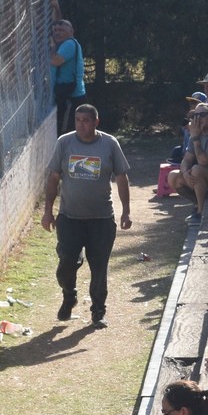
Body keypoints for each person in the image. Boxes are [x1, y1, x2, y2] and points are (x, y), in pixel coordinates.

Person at [42, 104, 132, 327]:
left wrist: (126, 211)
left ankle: (98, 311)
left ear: (96, 122)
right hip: (70, 218)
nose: (81, 125)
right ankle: (69, 295)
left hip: (101, 219)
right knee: (66, 264)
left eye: (86, 120)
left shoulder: (109, 144)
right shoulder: (65, 142)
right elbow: (53, 178)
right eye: (78, 120)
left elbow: (122, 177)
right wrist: (47, 211)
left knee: (99, 267)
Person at [168, 101, 208, 225]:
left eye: (202, 114)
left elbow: (204, 161)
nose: (198, 119)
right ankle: (198, 204)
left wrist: (196, 138)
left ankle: (200, 212)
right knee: (173, 176)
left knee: (197, 170)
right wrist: (185, 172)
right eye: (194, 115)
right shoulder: (196, 134)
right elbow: (186, 160)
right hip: (207, 175)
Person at [51, 18, 87, 134]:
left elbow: (56, 61)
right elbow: (59, 21)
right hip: (67, 94)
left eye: (61, 30)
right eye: (55, 30)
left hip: (71, 97)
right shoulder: (65, 44)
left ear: (71, 31)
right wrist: (56, 7)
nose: (57, 32)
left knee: (65, 133)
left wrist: (49, 48)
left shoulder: (69, 44)